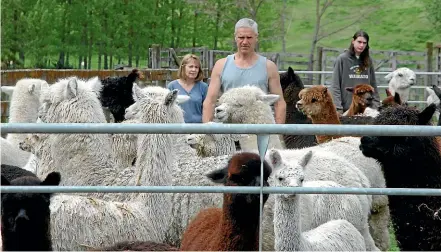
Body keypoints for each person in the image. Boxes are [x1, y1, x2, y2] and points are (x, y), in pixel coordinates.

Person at [202, 18, 286, 124]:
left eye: (249, 37)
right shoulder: (221, 65)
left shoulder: (269, 67)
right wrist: (207, 131)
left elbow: (279, 103)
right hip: (229, 130)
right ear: (235, 37)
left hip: (257, 129)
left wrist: (277, 133)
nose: (245, 42)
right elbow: (210, 101)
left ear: (256, 37)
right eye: (241, 37)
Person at [329, 30, 380, 114]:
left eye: (364, 43)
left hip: (365, 110)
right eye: (359, 42)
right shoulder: (342, 59)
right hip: (347, 109)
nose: (361, 45)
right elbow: (335, 85)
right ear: (353, 41)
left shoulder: (368, 61)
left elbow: (373, 84)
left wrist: (375, 105)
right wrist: (338, 108)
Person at [167, 54, 208, 123]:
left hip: (198, 129)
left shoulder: (203, 87)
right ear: (183, 67)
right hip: (177, 128)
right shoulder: (172, 86)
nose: (194, 70)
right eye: (190, 67)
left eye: (196, 67)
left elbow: (207, 109)